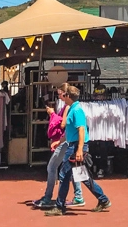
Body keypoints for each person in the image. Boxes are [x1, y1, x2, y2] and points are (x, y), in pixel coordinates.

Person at [45, 85, 112, 216]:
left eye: (64, 95)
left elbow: (81, 130)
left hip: (75, 147)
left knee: (64, 175)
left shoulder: (76, 110)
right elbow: (71, 132)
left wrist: (80, 149)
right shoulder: (72, 109)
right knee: (83, 176)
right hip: (74, 145)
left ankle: (59, 206)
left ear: (69, 96)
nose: (62, 97)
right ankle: (103, 199)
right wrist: (60, 141)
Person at [33, 94, 83, 209]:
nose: (59, 96)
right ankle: (78, 196)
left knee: (54, 168)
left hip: (66, 141)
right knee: (73, 168)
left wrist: (52, 114)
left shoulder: (69, 107)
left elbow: (64, 124)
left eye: (61, 94)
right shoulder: (71, 107)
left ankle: (48, 197)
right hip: (67, 140)